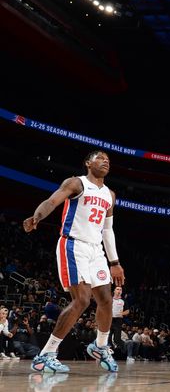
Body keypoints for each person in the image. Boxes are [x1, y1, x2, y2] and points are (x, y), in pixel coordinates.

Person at [23, 150, 123, 373]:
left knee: (106, 300)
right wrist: (37, 217)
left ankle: (100, 346)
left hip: (96, 250)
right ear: (88, 163)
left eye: (108, 160)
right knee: (82, 300)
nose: (106, 161)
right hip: (73, 244)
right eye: (100, 158)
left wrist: (114, 262)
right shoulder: (76, 183)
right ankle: (46, 354)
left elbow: (108, 231)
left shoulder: (110, 195)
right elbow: (52, 201)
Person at [111, 286, 129, 354]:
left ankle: (126, 352)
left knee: (117, 339)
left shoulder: (123, 300)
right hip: (110, 320)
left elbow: (127, 311)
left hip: (118, 321)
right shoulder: (110, 299)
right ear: (114, 291)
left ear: (121, 292)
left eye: (120, 290)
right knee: (108, 339)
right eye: (117, 289)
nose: (119, 291)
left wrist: (122, 313)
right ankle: (110, 354)